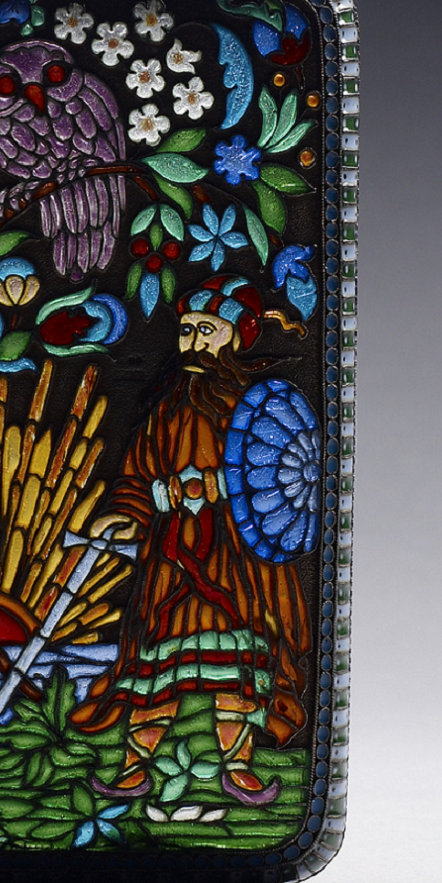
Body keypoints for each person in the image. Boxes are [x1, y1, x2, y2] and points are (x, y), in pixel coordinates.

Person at [70, 275, 312, 806]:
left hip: (234, 559)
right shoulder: (165, 409)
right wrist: (128, 515)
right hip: (171, 555)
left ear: (235, 338)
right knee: (156, 663)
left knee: (238, 667)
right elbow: (137, 476)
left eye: (208, 330)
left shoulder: (255, 410)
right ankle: (135, 768)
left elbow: (276, 475)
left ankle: (238, 768)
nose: (194, 343)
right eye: (186, 331)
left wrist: (223, 486)